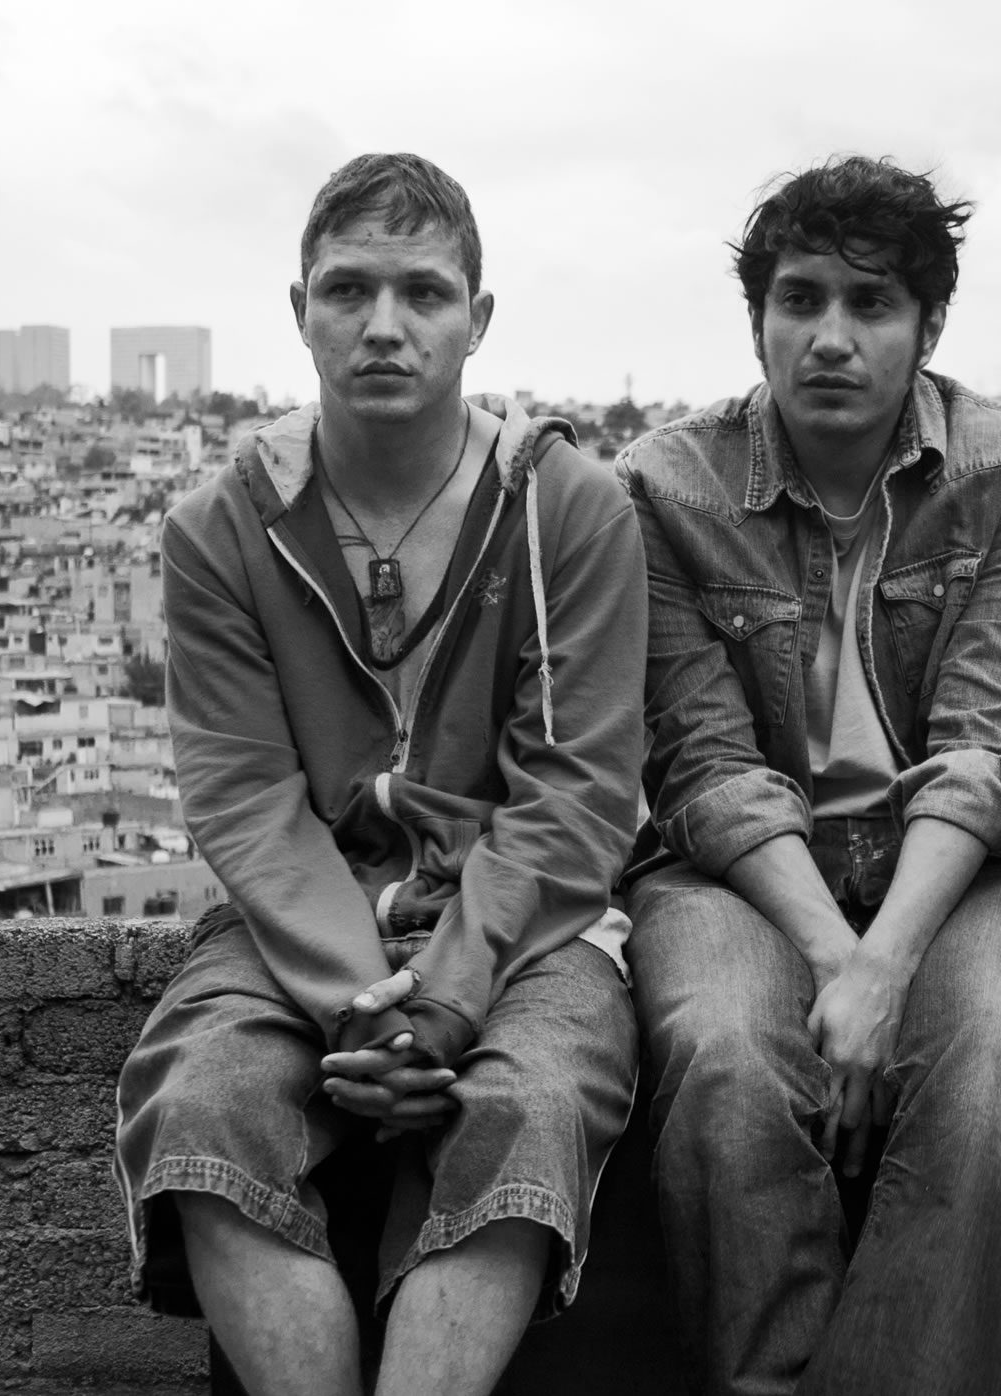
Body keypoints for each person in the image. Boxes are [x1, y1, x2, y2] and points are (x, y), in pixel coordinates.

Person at [113, 152, 647, 1396]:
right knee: (202, 1103)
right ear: (299, 311)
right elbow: (246, 797)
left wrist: (444, 999)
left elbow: (573, 793)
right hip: (298, 921)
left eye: (423, 292)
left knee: (526, 1106)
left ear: (478, 318)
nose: (385, 326)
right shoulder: (220, 528)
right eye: (349, 290)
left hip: (527, 921)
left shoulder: (565, 510)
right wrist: (367, 1005)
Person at [618, 154, 1001, 1395]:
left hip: (958, 872)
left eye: (870, 304)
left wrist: (886, 963)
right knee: (725, 1054)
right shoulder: (668, 483)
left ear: (928, 329)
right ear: (757, 321)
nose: (829, 337)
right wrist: (843, 961)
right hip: (737, 877)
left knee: (994, 1056)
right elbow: (704, 762)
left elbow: (991, 748)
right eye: (799, 299)